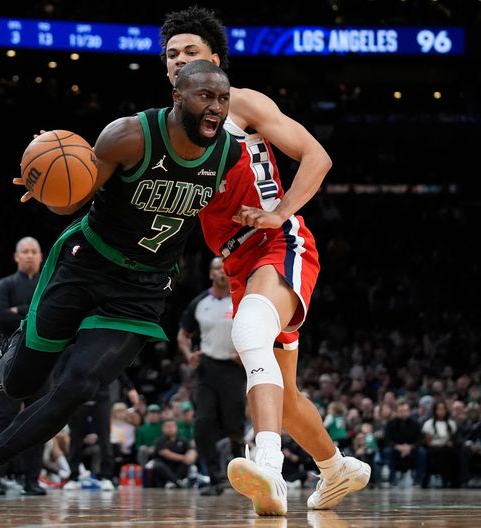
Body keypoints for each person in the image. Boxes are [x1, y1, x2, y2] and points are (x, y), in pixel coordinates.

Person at [0, 60, 246, 513]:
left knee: (78, 386)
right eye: (205, 97)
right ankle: (11, 351)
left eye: (222, 99)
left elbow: (229, 207)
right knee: (18, 386)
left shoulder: (229, 154)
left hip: (141, 290)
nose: (216, 107)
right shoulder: (128, 136)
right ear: (177, 96)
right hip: (84, 265)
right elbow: (74, 198)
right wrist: (48, 186)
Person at [159, 7, 370, 516]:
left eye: (191, 51)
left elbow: (317, 157)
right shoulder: (163, 130)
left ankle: (269, 468)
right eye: (171, 54)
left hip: (279, 244)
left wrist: (281, 212)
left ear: (214, 60)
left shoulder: (243, 104)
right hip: (234, 262)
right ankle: (336, 468)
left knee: (250, 331)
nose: (179, 60)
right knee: (285, 394)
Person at [0, 236, 48, 496]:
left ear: (42, 256)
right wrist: (33, 312)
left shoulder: (49, 284)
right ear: (16, 256)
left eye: (34, 251)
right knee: (5, 420)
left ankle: (32, 479)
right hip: (10, 358)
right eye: (25, 251)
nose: (30, 255)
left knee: (40, 420)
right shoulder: (5, 284)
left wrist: (19, 311)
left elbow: (54, 315)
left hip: (44, 361)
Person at [177, 256, 245, 496]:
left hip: (235, 369)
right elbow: (183, 334)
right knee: (203, 423)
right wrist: (188, 354)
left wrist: (245, 351)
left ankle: (243, 475)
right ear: (210, 274)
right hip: (207, 368)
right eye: (217, 267)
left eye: (226, 267)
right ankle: (215, 479)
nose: (222, 271)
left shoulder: (242, 299)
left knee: (234, 427)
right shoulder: (200, 302)